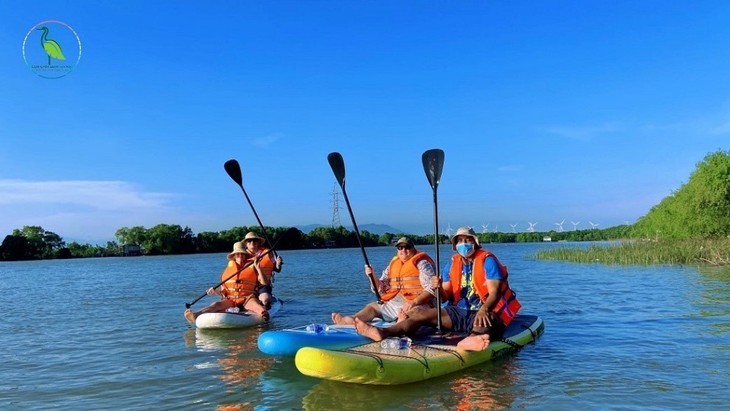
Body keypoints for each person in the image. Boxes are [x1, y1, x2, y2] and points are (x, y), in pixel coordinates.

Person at [354, 227, 522, 351]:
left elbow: (495, 292)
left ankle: (470, 340)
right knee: (418, 314)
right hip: (460, 311)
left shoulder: (487, 260)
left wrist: (484, 309)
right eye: (460, 241)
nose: (464, 244)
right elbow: (445, 296)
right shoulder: (452, 264)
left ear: (475, 242)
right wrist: (437, 288)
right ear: (455, 245)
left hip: (486, 310)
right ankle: (384, 332)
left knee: (485, 322)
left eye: (467, 240)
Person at [331, 237, 437, 325]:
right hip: (395, 303)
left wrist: (413, 302)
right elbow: (381, 288)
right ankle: (351, 320)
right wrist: (372, 276)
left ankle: (399, 326)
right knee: (372, 307)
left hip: (418, 303)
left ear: (413, 249)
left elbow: (431, 288)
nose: (403, 250)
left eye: (407, 247)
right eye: (400, 248)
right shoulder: (393, 265)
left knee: (414, 312)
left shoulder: (422, 264)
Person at [183, 238, 273, 324]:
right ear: (234, 256)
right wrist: (215, 291)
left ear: (246, 255)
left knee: (255, 306)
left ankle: (264, 314)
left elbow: (264, 282)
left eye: (242, 254)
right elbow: (223, 293)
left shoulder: (253, 266)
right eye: (238, 254)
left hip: (247, 298)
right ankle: (195, 315)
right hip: (231, 300)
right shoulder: (227, 270)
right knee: (215, 304)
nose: (240, 256)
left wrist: (258, 268)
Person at [239, 231, 283, 308]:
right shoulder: (241, 255)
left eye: (254, 240)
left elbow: (277, 269)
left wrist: (278, 264)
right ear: (246, 243)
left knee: (265, 299)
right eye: (249, 241)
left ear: (259, 242)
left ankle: (265, 307)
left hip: (262, 285)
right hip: (247, 285)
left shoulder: (268, 253)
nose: (252, 242)